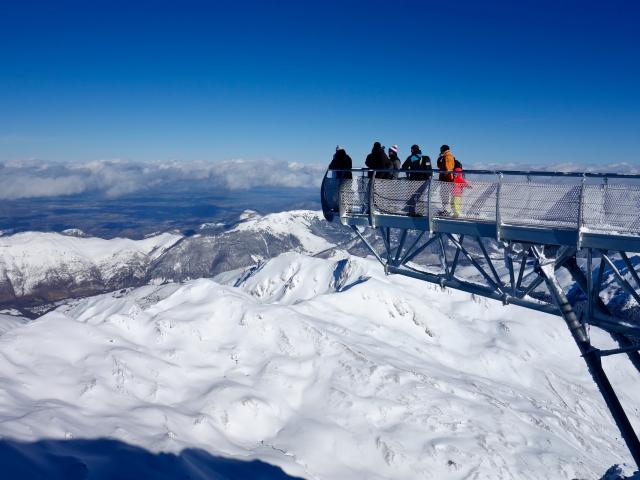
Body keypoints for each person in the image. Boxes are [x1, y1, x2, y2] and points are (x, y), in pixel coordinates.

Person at [437, 144, 456, 214]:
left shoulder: (447, 156)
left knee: (445, 194)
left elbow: (448, 168)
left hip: (446, 179)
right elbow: (440, 166)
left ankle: (447, 211)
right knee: (444, 194)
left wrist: (444, 175)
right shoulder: (446, 156)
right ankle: (446, 210)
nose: (440, 151)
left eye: (441, 150)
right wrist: (439, 158)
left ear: (443, 149)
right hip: (446, 179)